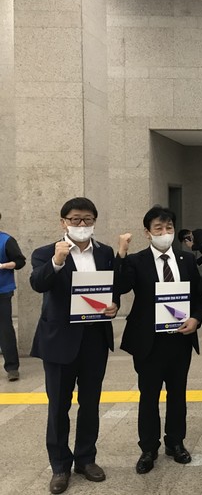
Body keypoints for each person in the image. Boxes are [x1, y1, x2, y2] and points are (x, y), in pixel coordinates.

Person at [30, 197, 119, 494]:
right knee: (58, 406)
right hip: (59, 341)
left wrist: (113, 306)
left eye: (87, 219)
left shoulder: (104, 252)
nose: (82, 224)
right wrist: (57, 262)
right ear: (63, 222)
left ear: (94, 221)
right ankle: (59, 466)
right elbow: (38, 284)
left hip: (94, 339)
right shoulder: (45, 253)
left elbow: (110, 289)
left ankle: (85, 458)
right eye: (75, 219)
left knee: (90, 403)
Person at [115, 206, 202, 475]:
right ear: (147, 233)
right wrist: (121, 254)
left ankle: (175, 443)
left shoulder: (186, 259)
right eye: (159, 228)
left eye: (169, 228)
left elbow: (199, 296)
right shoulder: (136, 260)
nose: (165, 233)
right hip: (148, 341)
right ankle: (148, 448)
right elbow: (120, 286)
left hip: (180, 339)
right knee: (149, 396)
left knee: (178, 394)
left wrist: (196, 318)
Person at [0, 212, 26, 382]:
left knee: (5, 329)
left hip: (2, 291)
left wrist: (3, 265)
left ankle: (12, 367)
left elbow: (20, 261)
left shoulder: (6, 240)